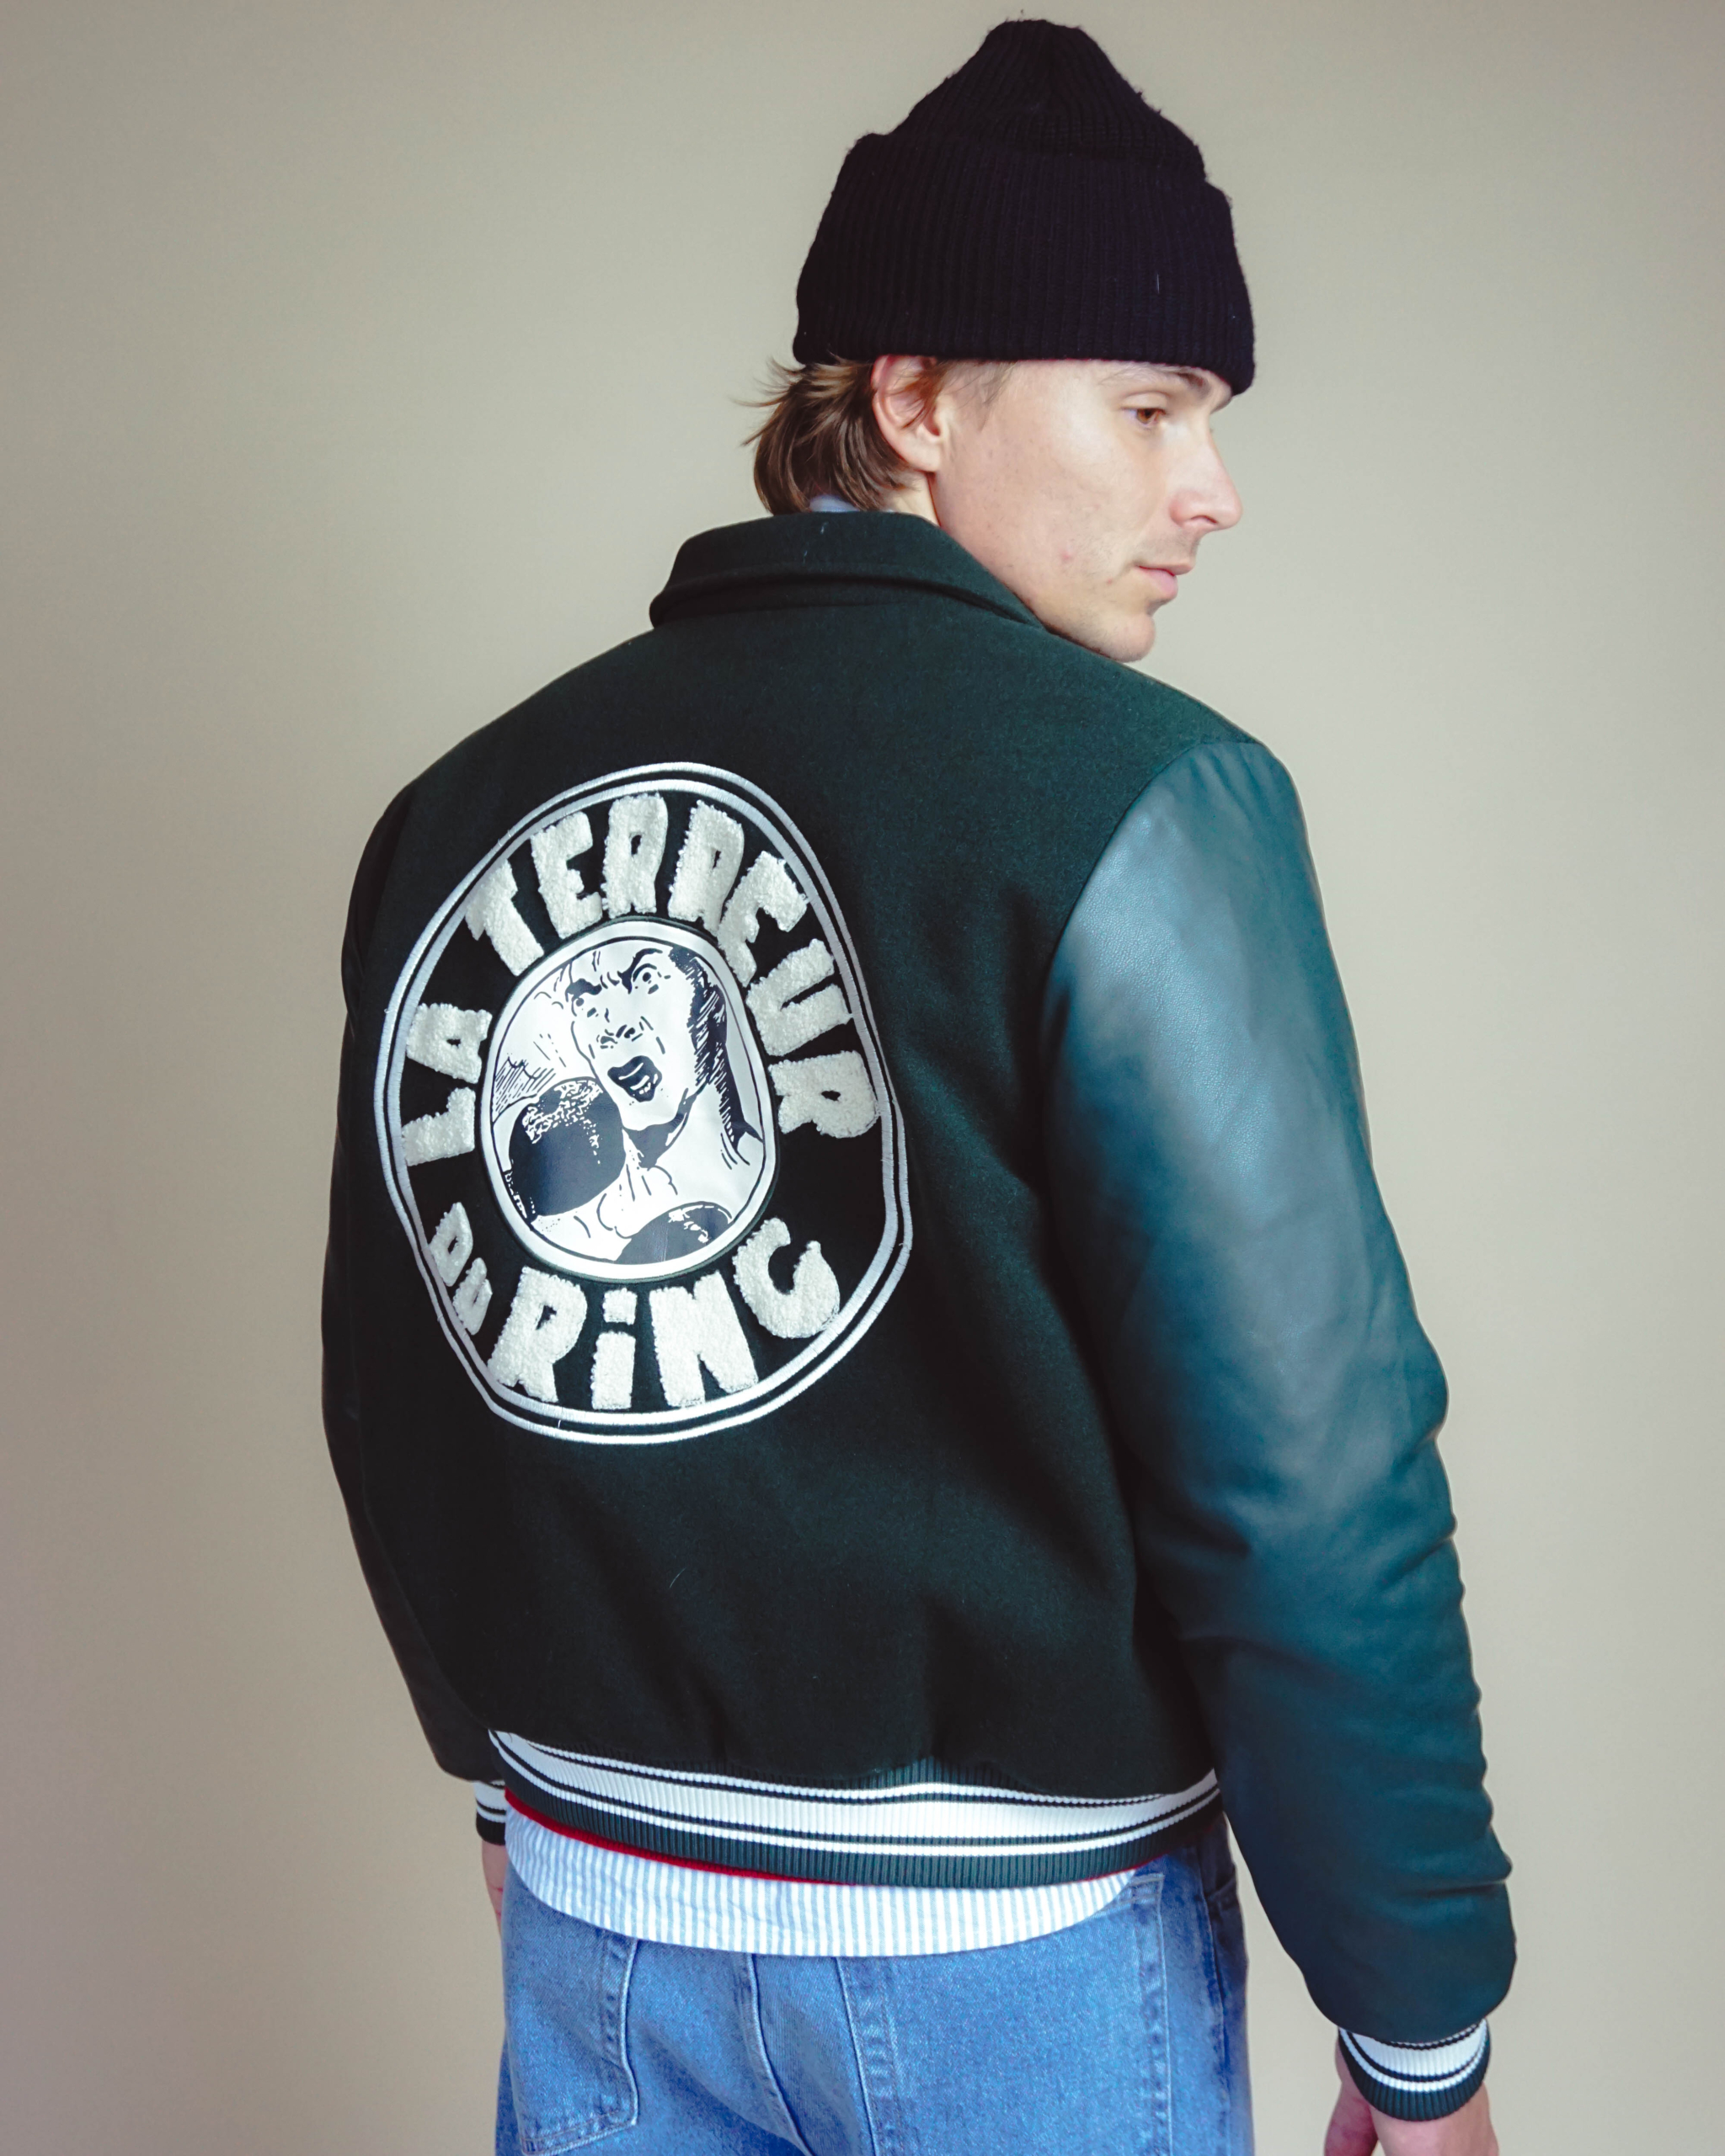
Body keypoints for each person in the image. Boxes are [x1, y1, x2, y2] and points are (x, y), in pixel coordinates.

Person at [323, 21, 1513, 2153]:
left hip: (599, 1928)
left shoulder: (467, 803)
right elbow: (1305, 1478)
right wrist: (1419, 2030)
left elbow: (405, 1368)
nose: (1212, 486)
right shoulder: (1143, 797)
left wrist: (506, 1781)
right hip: (1010, 1965)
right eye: (1149, 404)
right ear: (913, 398)